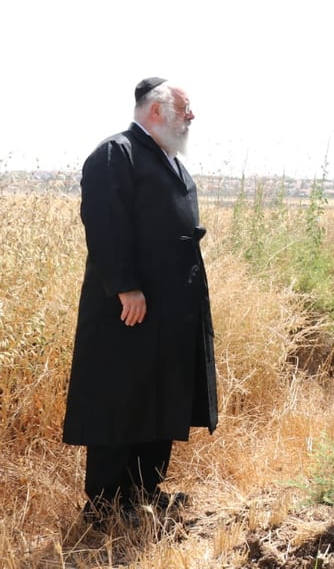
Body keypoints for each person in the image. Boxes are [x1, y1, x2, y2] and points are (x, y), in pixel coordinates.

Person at [62, 77, 218, 524]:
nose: (191, 117)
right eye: (185, 108)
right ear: (156, 109)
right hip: (130, 308)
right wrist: (126, 286)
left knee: (160, 396)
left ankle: (145, 493)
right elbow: (104, 222)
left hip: (171, 308)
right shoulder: (117, 154)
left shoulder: (170, 160)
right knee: (121, 395)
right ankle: (106, 504)